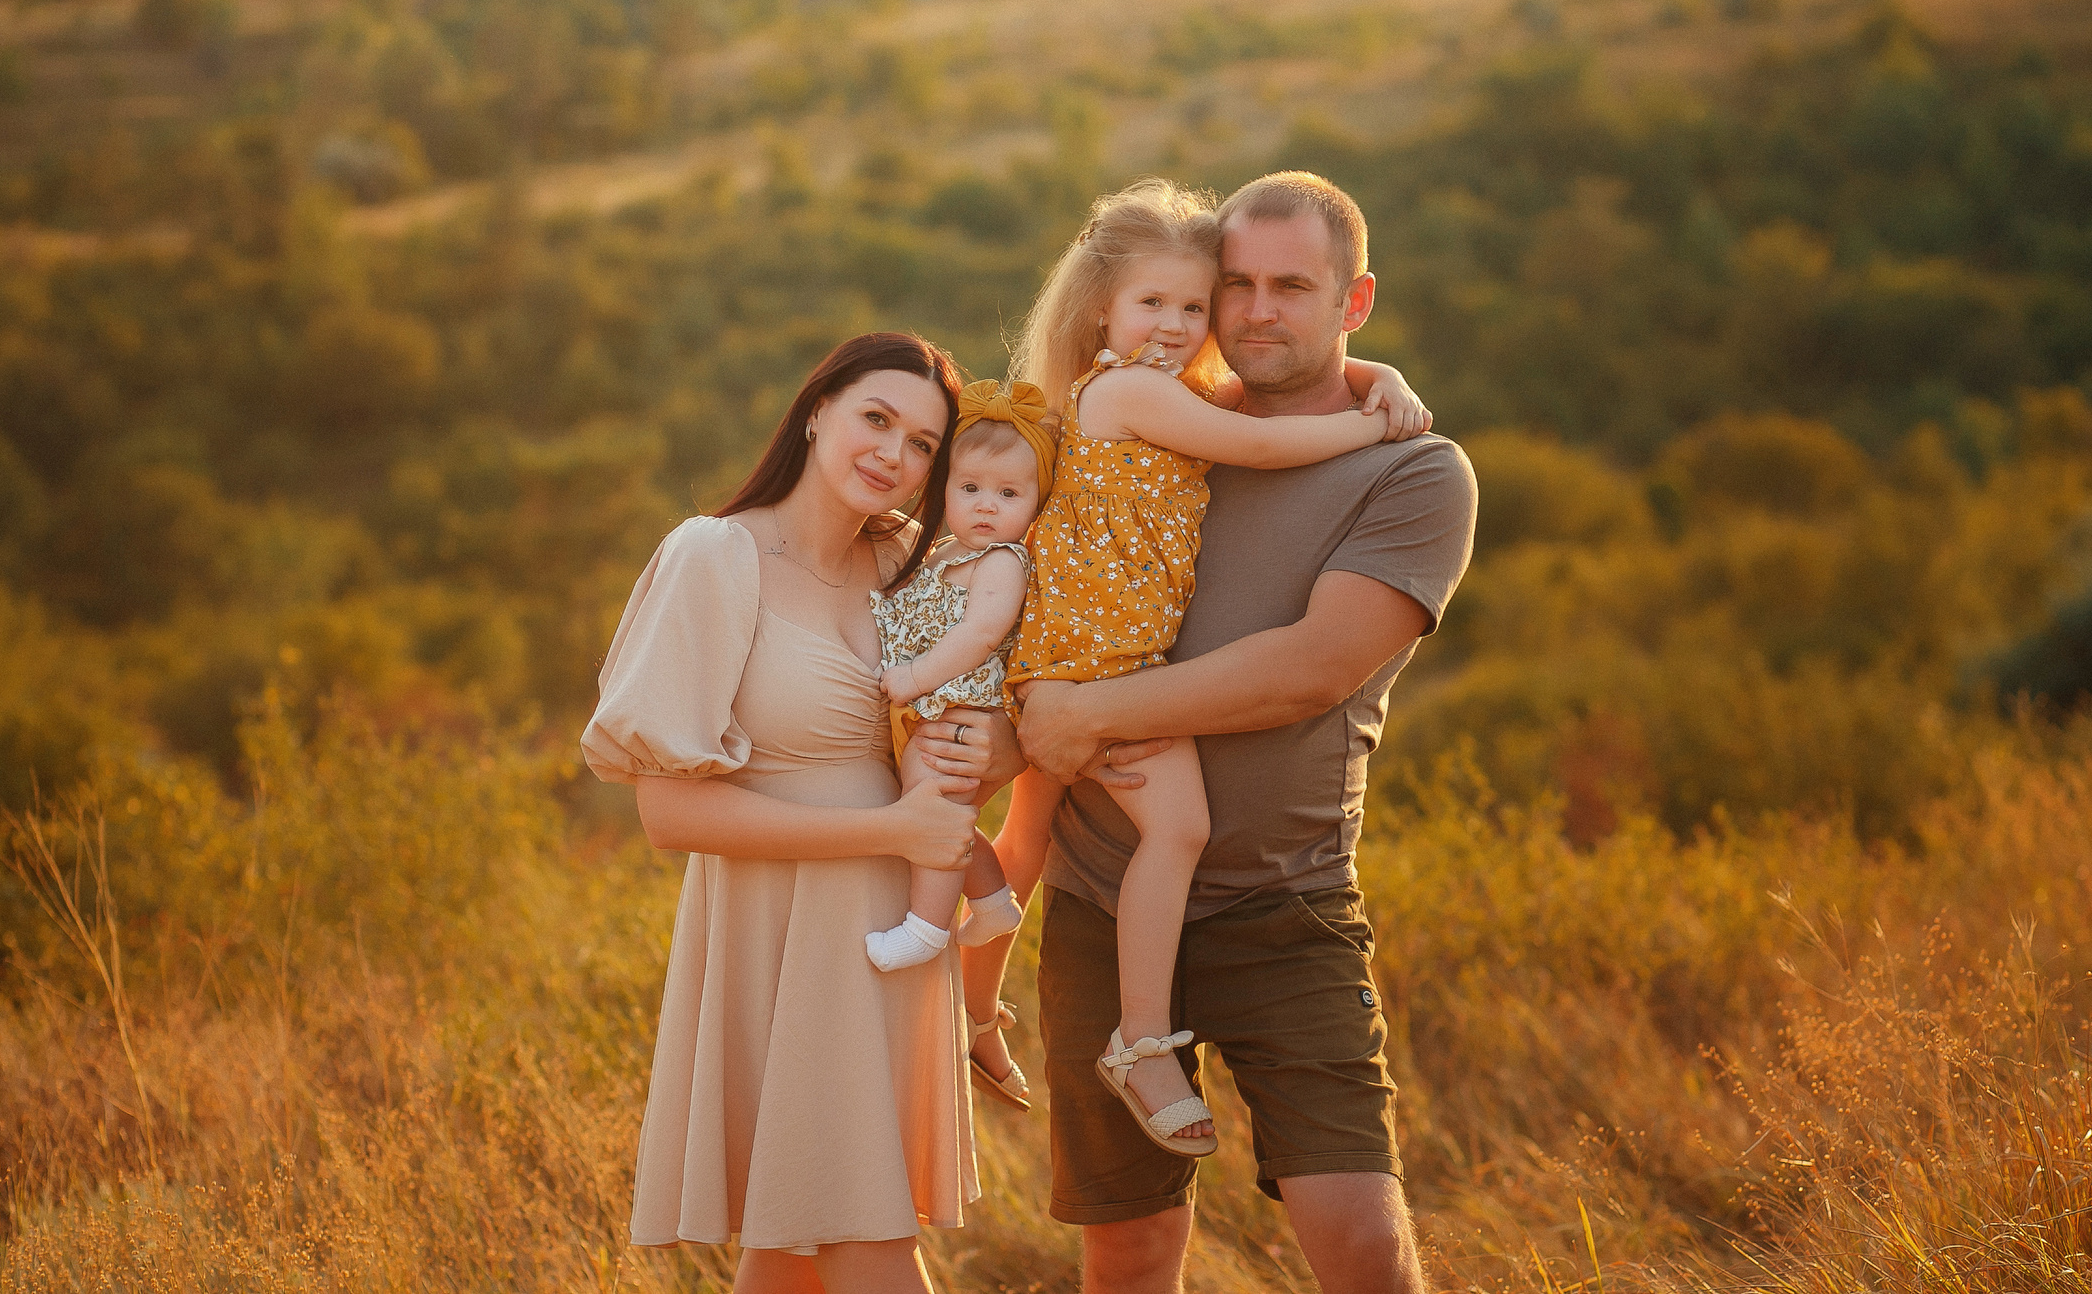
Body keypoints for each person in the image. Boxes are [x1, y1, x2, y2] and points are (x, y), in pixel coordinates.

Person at [1008, 172, 1479, 1294]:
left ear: (1352, 300)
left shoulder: (1410, 469)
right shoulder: (1173, 427)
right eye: (1235, 286)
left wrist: (1080, 716)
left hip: (1288, 907)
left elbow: (1308, 672)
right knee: (1126, 1250)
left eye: (1292, 287)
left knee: (1361, 1247)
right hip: (1101, 903)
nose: (1257, 310)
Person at [582, 331, 1020, 1294]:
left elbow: (992, 714)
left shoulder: (914, 561)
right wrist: (888, 831)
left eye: (920, 444)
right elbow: (667, 811)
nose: (893, 455)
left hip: (893, 928)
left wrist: (995, 752)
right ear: (817, 409)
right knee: (864, 1244)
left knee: (788, 1253)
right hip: (778, 927)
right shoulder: (714, 556)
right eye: (876, 419)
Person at [861, 380, 1052, 984]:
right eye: (969, 489)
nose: (986, 506)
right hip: (935, 704)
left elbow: (978, 635)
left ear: (1036, 503)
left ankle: (927, 925)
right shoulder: (943, 554)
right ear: (944, 489)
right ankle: (994, 903)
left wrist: (913, 677)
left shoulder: (1004, 562)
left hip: (960, 700)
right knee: (949, 805)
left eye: (1007, 493)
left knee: (932, 801)